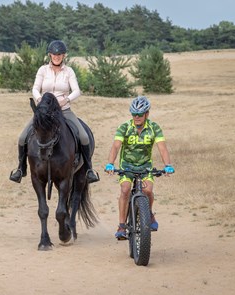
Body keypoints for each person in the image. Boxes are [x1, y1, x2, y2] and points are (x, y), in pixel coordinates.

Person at [9, 40, 99, 184]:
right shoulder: (42, 70)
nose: (56, 57)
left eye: (59, 54)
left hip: (63, 111)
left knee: (83, 136)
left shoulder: (69, 71)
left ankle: (88, 170)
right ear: (50, 55)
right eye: (54, 54)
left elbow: (77, 91)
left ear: (64, 55)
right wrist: (39, 101)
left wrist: (66, 100)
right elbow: (35, 88)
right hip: (44, 113)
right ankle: (21, 169)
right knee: (22, 137)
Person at [104, 96, 175, 240]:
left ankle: (148, 214)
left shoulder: (154, 128)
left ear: (147, 114)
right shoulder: (124, 127)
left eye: (140, 114)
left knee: (148, 190)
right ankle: (122, 226)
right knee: (125, 189)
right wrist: (110, 163)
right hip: (127, 166)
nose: (136, 117)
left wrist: (167, 165)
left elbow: (162, 148)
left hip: (145, 166)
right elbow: (116, 146)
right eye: (133, 114)